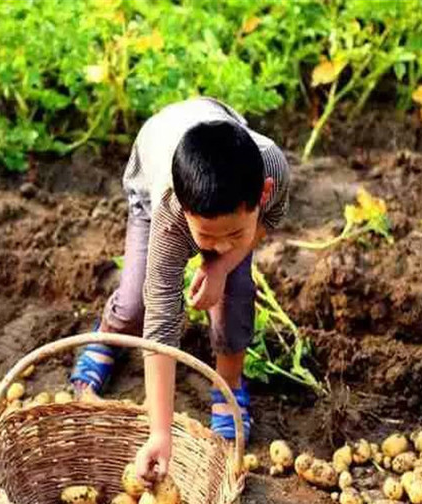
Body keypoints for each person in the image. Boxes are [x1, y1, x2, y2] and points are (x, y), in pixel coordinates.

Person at [70, 97, 290, 481]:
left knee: (236, 297)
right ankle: (110, 332)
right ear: (186, 211)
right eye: (206, 236)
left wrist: (220, 266)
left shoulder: (271, 168)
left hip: (214, 140)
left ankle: (229, 385)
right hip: (153, 162)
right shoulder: (170, 213)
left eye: (233, 233)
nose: (220, 244)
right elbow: (162, 322)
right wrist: (160, 432)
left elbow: (265, 222)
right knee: (136, 303)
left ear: (263, 192)